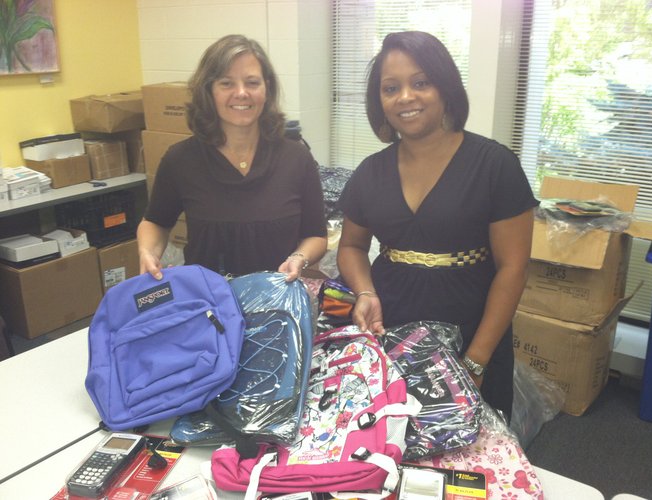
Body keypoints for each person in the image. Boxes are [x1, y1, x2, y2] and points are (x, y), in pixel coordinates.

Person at [336, 31, 538, 420]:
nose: (406, 97)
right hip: (389, 325)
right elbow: (351, 247)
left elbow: (513, 268)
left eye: (421, 82)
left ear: (445, 87)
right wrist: (364, 293)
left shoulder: (495, 165)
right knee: (389, 437)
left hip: (470, 331)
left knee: (469, 454)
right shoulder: (370, 172)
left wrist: (476, 362)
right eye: (391, 88)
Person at [138, 35, 327, 282]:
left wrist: (299, 258)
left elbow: (316, 235)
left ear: (266, 88)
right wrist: (147, 251)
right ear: (209, 91)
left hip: (277, 305)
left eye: (252, 82)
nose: (241, 93)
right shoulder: (181, 160)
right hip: (209, 306)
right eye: (226, 83)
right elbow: (155, 221)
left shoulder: (296, 158)